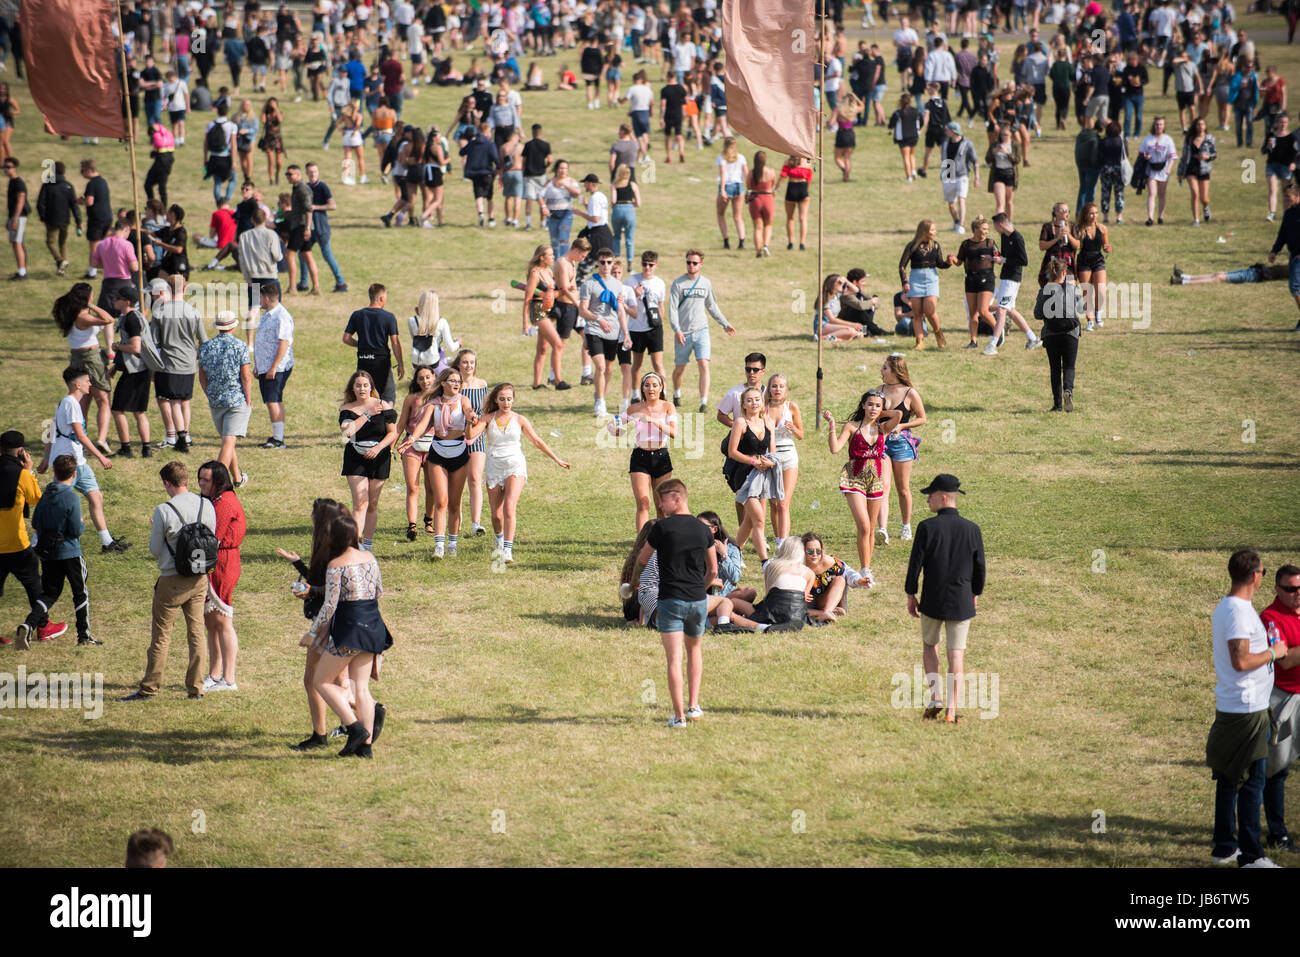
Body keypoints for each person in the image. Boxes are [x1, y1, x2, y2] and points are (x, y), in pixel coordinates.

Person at [1205, 550, 1283, 867]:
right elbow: (1240, 661)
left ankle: (1224, 847)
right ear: (1254, 576)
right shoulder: (1238, 612)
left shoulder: (1229, 607)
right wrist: (1274, 653)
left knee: (1229, 778)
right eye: (1264, 571)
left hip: (1236, 706)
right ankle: (1252, 857)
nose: (1263, 575)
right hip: (1247, 710)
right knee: (1253, 783)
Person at [122, 460, 217, 701]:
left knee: (161, 636)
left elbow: (154, 549)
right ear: (186, 479)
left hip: (171, 580)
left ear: (167, 483)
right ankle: (196, 688)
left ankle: (150, 687)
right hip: (199, 577)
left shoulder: (164, 510)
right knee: (196, 633)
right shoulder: (206, 504)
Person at [302, 510, 393, 759]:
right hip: (373, 625)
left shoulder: (335, 565)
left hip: (349, 628)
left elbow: (330, 606)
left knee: (321, 681)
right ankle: (366, 749)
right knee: (361, 688)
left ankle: (354, 729)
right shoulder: (369, 556)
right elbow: (379, 591)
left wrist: (312, 633)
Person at [904, 473, 985, 724]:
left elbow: (915, 564)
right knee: (956, 654)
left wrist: (911, 593)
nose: (927, 501)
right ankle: (951, 710)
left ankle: (935, 695)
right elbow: (979, 566)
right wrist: (975, 593)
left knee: (930, 645)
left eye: (930, 496)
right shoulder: (972, 529)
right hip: (961, 599)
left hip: (932, 598)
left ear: (942, 497)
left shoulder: (926, 528)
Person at [637, 479, 715, 728]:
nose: (659, 505)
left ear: (678, 498)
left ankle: (679, 716)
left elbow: (642, 558)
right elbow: (713, 570)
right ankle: (694, 706)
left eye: (663, 499)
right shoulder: (704, 530)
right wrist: (700, 590)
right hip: (698, 600)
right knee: (695, 652)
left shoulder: (661, 528)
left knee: (673, 659)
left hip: (670, 600)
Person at [463, 382, 569, 563]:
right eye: (502, 399)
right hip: (494, 465)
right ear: (496, 400)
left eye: (509, 399)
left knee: (509, 507)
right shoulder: (487, 418)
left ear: (513, 400)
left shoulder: (520, 419)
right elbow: (470, 436)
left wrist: (556, 459)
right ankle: (499, 539)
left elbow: (536, 441)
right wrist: (468, 421)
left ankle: (507, 550)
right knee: (496, 515)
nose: (506, 403)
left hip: (515, 465)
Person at [37, 366, 129, 554]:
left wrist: (46, 458)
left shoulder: (67, 402)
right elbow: (80, 435)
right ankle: (36, 542)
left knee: (96, 497)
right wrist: (101, 456)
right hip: (67, 462)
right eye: (87, 381)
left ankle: (107, 543)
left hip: (78, 461)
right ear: (77, 385)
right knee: (56, 503)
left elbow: (51, 429)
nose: (90, 384)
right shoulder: (71, 404)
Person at [823, 390, 903, 588]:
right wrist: (832, 425)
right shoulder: (852, 427)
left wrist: (880, 412)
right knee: (865, 526)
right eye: (869, 404)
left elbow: (898, 415)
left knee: (871, 528)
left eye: (877, 405)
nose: (873, 408)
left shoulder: (882, 427)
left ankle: (866, 568)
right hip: (854, 477)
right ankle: (865, 569)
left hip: (875, 479)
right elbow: (835, 448)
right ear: (862, 405)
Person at [395, 366, 474, 558]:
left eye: (458, 381)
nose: (456, 384)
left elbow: (468, 410)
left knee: (455, 503)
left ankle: (452, 544)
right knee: (441, 500)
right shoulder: (433, 403)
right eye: (452, 381)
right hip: (437, 453)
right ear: (443, 383)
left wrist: (471, 417)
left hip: (459, 453)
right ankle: (439, 546)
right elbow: (422, 425)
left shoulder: (463, 400)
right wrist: (411, 440)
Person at [1260, 564, 1300, 854]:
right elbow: (1284, 660)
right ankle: (1278, 833)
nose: (1297, 594)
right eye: (1290, 589)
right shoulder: (1270, 618)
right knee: (1277, 769)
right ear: (1276, 589)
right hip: (1283, 699)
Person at [338, 370, 398, 553]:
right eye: (358, 385)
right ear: (352, 388)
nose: (362, 388)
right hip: (355, 457)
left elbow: (392, 433)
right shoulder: (347, 408)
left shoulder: (384, 405)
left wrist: (378, 448)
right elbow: (347, 432)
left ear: (371, 387)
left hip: (379, 456)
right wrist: (368, 414)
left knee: (372, 503)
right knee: (360, 503)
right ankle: (356, 546)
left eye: (365, 385)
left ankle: (368, 546)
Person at [668, 248, 736, 413]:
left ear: (701, 265)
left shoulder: (705, 283)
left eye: (694, 263)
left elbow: (712, 306)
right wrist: (677, 330)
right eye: (688, 262)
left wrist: (725, 323)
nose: (691, 265)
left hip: (701, 330)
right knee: (680, 368)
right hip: (683, 333)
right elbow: (672, 310)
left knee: (703, 364)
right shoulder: (678, 283)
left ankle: (703, 402)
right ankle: (677, 394)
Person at [198, 460, 245, 692]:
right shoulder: (216, 501)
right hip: (216, 560)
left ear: (218, 481)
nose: (201, 483)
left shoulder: (225, 502)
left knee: (223, 620)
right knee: (212, 621)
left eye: (206, 480)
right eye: (200, 479)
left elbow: (212, 536)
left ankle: (228, 679)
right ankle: (215, 675)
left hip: (223, 562)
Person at [51, 283, 115, 455]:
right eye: (91, 295)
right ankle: (101, 439)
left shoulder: (72, 314)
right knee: (103, 400)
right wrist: (91, 305)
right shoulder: (83, 317)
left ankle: (82, 439)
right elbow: (109, 319)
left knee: (83, 402)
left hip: (76, 359)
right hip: (91, 358)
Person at [197, 311, 253, 488]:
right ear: (233, 326)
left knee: (227, 441)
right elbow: (245, 376)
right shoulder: (240, 346)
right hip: (236, 400)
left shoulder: (206, 347)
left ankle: (237, 478)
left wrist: (210, 394)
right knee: (229, 441)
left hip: (216, 400)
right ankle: (215, 483)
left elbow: (202, 376)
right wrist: (248, 399)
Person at [876, 354, 927, 546]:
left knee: (903, 489)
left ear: (896, 371)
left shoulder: (909, 393)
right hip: (882, 443)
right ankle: (883, 529)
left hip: (901, 444)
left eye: (885, 368)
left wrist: (903, 426)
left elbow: (922, 418)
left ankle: (906, 526)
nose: (881, 371)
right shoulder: (879, 390)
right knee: (883, 486)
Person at [577, 246, 630, 418]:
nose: (606, 265)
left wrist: (626, 333)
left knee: (608, 369)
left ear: (613, 262)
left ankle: (600, 397)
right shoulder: (589, 284)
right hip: (594, 329)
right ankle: (600, 404)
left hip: (613, 332)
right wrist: (598, 319)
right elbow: (582, 310)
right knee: (599, 366)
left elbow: (620, 311)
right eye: (602, 262)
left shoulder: (618, 285)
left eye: (609, 262)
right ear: (597, 263)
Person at [1034, 259, 1084, 412]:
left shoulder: (1044, 290)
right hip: (1070, 333)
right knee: (1069, 366)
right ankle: (1068, 390)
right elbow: (1082, 309)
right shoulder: (1072, 289)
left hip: (1051, 333)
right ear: (1064, 273)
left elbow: (1037, 314)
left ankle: (1057, 405)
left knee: (1055, 369)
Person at [344, 282, 403, 403]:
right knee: (387, 398)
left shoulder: (357, 315)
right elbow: (395, 342)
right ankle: (386, 420)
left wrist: (359, 344)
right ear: (382, 298)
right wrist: (400, 364)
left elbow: (346, 338)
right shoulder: (388, 317)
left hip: (363, 360)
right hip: (382, 362)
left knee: (364, 395)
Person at [899, 219, 952, 350]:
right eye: (932, 230)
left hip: (931, 279)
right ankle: (919, 341)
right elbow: (902, 266)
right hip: (915, 279)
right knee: (917, 313)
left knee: (930, 311)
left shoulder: (936, 245)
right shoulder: (912, 246)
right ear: (925, 231)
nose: (935, 232)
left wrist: (948, 262)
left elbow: (940, 264)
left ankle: (938, 333)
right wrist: (904, 282)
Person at [764, 374, 803, 547]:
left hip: (788, 456)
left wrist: (793, 428)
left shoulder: (791, 407)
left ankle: (783, 543)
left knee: (783, 502)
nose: (777, 389)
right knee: (773, 503)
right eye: (774, 386)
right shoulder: (762, 408)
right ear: (769, 389)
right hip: (769, 457)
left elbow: (801, 435)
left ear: (786, 389)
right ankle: (778, 537)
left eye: (781, 386)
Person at [748, 537, 814, 632]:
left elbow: (768, 595)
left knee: (734, 603)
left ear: (783, 549)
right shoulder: (809, 573)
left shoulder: (772, 566)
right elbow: (802, 601)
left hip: (771, 613)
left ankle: (726, 620)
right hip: (796, 616)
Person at [955, 215, 1000, 349]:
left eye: (987, 229)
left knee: (983, 310)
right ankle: (973, 341)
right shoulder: (966, 244)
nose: (986, 231)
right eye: (984, 229)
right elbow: (959, 261)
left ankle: (998, 331)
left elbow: (999, 258)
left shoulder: (990, 243)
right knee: (972, 313)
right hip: (970, 280)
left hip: (987, 279)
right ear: (975, 229)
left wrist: (993, 258)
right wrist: (952, 260)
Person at [625, 249, 667, 390]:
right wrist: (635, 295)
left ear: (656, 266)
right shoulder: (631, 281)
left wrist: (660, 323)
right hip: (636, 327)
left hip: (654, 328)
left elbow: (661, 305)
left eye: (650, 264)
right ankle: (636, 394)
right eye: (645, 264)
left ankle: (663, 393)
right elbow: (624, 305)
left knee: (658, 363)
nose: (647, 268)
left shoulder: (660, 283)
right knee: (637, 363)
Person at [303, 161, 347, 293]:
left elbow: (332, 206)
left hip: (321, 227)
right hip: (308, 227)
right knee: (303, 254)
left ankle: (341, 282)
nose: (312, 174)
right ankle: (304, 282)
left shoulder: (322, 187)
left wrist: (316, 207)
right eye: (310, 172)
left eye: (315, 171)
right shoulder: (304, 187)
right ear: (306, 173)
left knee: (327, 254)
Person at [35, 160, 81, 277]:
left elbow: (40, 203)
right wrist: (78, 221)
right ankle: (62, 269)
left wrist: (43, 217)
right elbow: (74, 205)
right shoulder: (69, 186)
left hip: (51, 220)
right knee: (62, 243)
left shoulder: (47, 185)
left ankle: (60, 261)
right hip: (65, 220)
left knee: (50, 242)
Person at [1072, 203, 1111, 331]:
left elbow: (1106, 246)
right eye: (1091, 213)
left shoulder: (1102, 228)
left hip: (1098, 260)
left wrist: (1107, 248)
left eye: (1096, 213)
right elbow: (1076, 246)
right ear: (1085, 215)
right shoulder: (1080, 229)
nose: (1094, 215)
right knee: (1086, 292)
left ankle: (1097, 312)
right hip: (1084, 260)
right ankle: (1090, 321)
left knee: (1101, 290)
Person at [284, 164, 319, 294]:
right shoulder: (296, 188)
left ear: (298, 175)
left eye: (290, 174)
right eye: (287, 174)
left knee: (289, 255)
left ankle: (292, 287)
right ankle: (315, 287)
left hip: (301, 226)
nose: (288, 176)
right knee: (307, 255)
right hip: (300, 225)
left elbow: (308, 209)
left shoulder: (302, 189)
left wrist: (307, 228)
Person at [939, 121, 979, 234]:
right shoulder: (945, 143)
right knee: (951, 203)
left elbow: (975, 161)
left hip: (962, 175)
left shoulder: (967, 143)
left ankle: (961, 225)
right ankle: (956, 221)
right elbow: (943, 159)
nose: (946, 132)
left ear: (953, 131)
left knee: (962, 199)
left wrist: (977, 177)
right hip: (948, 173)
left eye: (948, 130)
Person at [1138, 116, 1179, 226]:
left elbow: (1172, 156)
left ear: (1164, 126)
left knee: (1162, 194)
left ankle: (1160, 216)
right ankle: (1150, 218)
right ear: (1154, 125)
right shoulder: (1148, 139)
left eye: (1161, 124)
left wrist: (1169, 168)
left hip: (1163, 170)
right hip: (1151, 169)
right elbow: (1141, 153)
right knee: (1152, 193)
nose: (1158, 126)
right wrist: (1146, 157)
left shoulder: (1167, 139)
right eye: (1157, 124)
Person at [539, 158, 580, 256]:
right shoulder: (550, 182)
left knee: (563, 239)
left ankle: (564, 263)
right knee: (554, 241)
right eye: (561, 168)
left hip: (566, 213)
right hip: (552, 214)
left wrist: (565, 185)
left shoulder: (571, 181)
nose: (563, 170)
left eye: (565, 168)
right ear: (556, 169)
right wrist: (543, 206)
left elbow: (577, 192)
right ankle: (556, 264)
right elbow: (540, 195)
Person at [78, 160, 111, 279]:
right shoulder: (102, 181)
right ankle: (107, 268)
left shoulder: (91, 184)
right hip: (107, 217)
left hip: (96, 218)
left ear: (88, 170)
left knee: (94, 246)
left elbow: (89, 201)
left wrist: (80, 201)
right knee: (105, 245)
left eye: (82, 170)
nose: (81, 173)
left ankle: (92, 272)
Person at [1264, 113, 1297, 224]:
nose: (1283, 124)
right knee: (1272, 189)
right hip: (1272, 165)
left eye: (1285, 122)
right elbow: (1264, 151)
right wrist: (1268, 146)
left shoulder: (1291, 137)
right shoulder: (1271, 136)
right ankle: (1271, 213)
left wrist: (1293, 163)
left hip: (1285, 166)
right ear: (1277, 123)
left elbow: (1295, 152)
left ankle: (1286, 214)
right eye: (1281, 122)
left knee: (1286, 192)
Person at [203, 102, 238, 206]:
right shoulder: (231, 125)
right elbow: (233, 144)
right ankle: (226, 199)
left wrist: (205, 158)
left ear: (217, 111)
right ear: (227, 112)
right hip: (226, 157)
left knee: (217, 182)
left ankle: (219, 202)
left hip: (214, 157)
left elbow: (205, 143)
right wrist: (234, 161)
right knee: (233, 179)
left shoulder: (210, 124)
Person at [985, 123, 1021, 222]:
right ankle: (1000, 223)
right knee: (1000, 203)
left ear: (1011, 134)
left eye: (1006, 134)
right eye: (1001, 134)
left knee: (1009, 202)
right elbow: (987, 159)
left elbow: (1017, 160)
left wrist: (1007, 153)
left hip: (1009, 174)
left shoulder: (1014, 145)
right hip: (998, 174)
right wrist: (994, 152)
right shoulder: (995, 144)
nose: (1003, 137)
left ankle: (1009, 222)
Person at [745, 150, 777, 258]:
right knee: (768, 225)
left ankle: (758, 251)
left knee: (757, 227)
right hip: (768, 198)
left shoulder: (751, 173)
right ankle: (765, 245)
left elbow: (749, 186)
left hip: (756, 200)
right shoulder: (771, 172)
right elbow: (772, 184)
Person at [776, 155, 812, 251]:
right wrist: (806, 191)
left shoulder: (788, 161)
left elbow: (782, 176)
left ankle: (790, 242)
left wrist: (775, 189)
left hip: (791, 189)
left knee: (790, 218)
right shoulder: (807, 163)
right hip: (803, 189)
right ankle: (802, 243)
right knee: (803, 218)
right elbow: (809, 179)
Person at [610, 164, 640, 266]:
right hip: (629, 209)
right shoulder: (633, 185)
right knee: (629, 238)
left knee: (617, 236)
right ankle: (630, 262)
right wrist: (632, 205)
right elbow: (638, 203)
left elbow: (613, 201)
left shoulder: (614, 184)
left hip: (618, 209)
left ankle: (617, 259)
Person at [3, 155, 28, 280]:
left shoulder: (18, 182)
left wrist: (14, 219)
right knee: (16, 243)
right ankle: (21, 270)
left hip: (19, 217)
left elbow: (21, 200)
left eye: (8, 167)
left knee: (17, 243)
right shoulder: (12, 182)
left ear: (15, 168)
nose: (5, 169)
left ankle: (22, 273)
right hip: (15, 217)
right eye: (4, 167)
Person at [1098, 120, 1127, 226]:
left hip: (1106, 168)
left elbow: (1100, 156)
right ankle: (1119, 216)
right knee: (1119, 192)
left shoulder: (1103, 141)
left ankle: (1105, 216)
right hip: (1119, 169)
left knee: (1105, 192)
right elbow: (1126, 155)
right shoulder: (1122, 141)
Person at [887, 92, 923, 181]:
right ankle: (913, 171)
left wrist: (890, 129)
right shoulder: (916, 111)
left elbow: (891, 124)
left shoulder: (898, 113)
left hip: (903, 137)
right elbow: (921, 122)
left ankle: (908, 177)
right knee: (912, 154)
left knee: (906, 156)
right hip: (914, 136)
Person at [1074, 114, 1102, 217]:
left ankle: (1079, 213)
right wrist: (1097, 165)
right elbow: (1095, 152)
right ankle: (1087, 214)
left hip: (1080, 164)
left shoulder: (1081, 135)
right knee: (1090, 190)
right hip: (1091, 166)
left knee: (1083, 188)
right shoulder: (1096, 138)